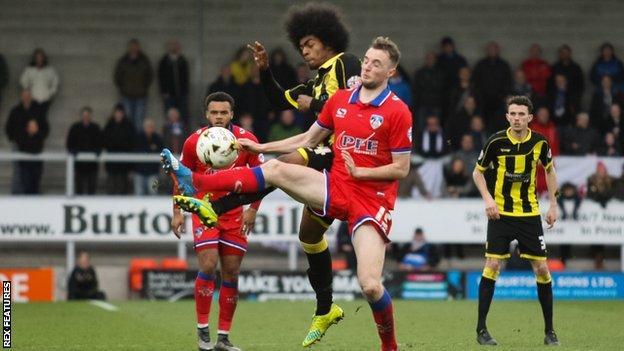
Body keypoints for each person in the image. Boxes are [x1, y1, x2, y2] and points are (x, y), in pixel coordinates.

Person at [165, 37, 410, 351]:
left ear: (390, 71)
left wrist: (362, 172)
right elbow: (309, 137)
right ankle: (197, 182)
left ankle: (389, 346)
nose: (367, 66)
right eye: (366, 59)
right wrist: (261, 147)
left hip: (370, 200)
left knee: (370, 285)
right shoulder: (342, 100)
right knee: (276, 169)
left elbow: (401, 168)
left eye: (377, 63)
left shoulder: (397, 111)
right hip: (335, 186)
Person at [216, 3, 360, 346]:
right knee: (308, 236)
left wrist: (318, 106)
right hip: (328, 161)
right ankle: (325, 309)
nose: (305, 51)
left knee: (286, 161)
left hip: (348, 158)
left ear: (327, 40)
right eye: (301, 47)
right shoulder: (313, 82)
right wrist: (265, 71)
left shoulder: (345, 63)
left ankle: (223, 205)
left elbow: (356, 105)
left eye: (309, 44)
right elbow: (278, 100)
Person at [170, 92, 263, 351]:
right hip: (205, 211)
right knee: (209, 265)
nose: (219, 117)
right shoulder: (194, 142)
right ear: (207, 115)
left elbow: (264, 177)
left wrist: (253, 209)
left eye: (224, 112)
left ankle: (223, 337)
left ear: (232, 114)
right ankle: (203, 331)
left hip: (235, 216)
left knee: (231, 272)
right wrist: (177, 211)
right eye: (214, 113)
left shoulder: (247, 141)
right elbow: (180, 176)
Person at [472, 95, 559, 346]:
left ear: (530, 118)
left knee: (542, 269)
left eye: (522, 114)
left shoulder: (540, 142)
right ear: (507, 116)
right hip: (500, 214)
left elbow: (550, 170)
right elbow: (478, 173)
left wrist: (553, 204)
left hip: (530, 214)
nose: (517, 118)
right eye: (513, 114)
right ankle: (481, 330)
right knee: (492, 265)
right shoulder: (496, 142)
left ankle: (550, 331)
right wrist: (488, 199)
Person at [114, 38, 153, 131]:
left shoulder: (144, 60)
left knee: (139, 120)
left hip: (141, 95)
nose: (133, 48)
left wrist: (144, 87)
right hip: (126, 95)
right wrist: (123, 88)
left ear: (138, 47)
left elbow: (150, 75)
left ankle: (137, 142)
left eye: (135, 46)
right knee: (127, 120)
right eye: (132, 46)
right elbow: (117, 76)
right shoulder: (123, 61)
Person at [66, 106, 102, 195]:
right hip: (79, 165)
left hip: (92, 165)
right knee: (79, 188)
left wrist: (97, 151)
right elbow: (70, 143)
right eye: (84, 115)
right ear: (81, 116)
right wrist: (73, 151)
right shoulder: (75, 127)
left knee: (92, 188)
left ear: (90, 116)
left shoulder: (96, 128)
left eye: (88, 115)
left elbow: (100, 142)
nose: (86, 117)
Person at [103, 103, 135, 194]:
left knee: (123, 183)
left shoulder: (128, 125)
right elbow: (105, 139)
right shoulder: (109, 125)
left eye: (120, 112)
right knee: (111, 183)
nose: (118, 114)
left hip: (124, 161)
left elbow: (132, 141)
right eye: (117, 112)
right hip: (111, 160)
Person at [19, 48, 59, 117]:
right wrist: (28, 93)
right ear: (34, 59)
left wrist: (50, 93)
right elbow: (23, 81)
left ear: (44, 58)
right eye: (37, 57)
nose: (39, 59)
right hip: (32, 99)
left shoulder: (50, 70)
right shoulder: (29, 70)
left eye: (41, 57)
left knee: (43, 119)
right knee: (32, 119)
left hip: (45, 99)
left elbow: (56, 82)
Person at [158, 40, 190, 123]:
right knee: (170, 115)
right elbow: (161, 78)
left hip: (181, 94)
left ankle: (183, 134)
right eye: (172, 46)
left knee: (183, 115)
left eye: (175, 46)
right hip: (169, 95)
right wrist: (164, 91)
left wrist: (185, 91)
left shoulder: (182, 60)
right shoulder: (164, 61)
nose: (174, 48)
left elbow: (186, 77)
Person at [133, 119, 164, 196]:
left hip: (154, 172)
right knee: (138, 192)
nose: (149, 128)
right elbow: (135, 152)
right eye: (147, 127)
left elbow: (161, 153)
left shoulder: (158, 139)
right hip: (139, 172)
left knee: (154, 191)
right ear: (144, 127)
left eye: (151, 127)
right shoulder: (138, 137)